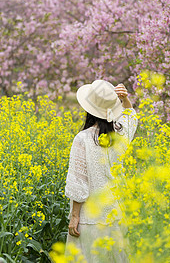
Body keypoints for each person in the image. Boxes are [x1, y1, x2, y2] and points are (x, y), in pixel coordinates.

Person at [64, 80, 138, 262]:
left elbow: (79, 182)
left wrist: (74, 216)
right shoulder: (121, 134)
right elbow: (131, 117)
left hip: (90, 218)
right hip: (115, 214)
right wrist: (124, 99)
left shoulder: (82, 139)